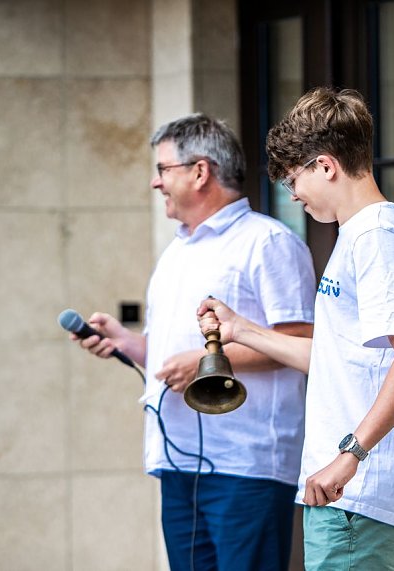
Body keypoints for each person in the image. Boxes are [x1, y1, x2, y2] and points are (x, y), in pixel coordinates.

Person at [198, 87, 394, 570]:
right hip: (345, 495)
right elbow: (336, 357)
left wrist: (351, 454)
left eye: (293, 180)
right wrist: (241, 329)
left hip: (354, 494)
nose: (294, 195)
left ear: (325, 166)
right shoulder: (361, 234)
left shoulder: (375, 236)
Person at [67, 113, 316, 571]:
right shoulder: (177, 250)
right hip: (177, 461)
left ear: (200, 172)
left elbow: (301, 342)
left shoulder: (268, 243)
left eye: (163, 169)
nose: (154, 182)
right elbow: (178, 352)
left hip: (247, 463)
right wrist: (129, 344)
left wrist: (203, 362)